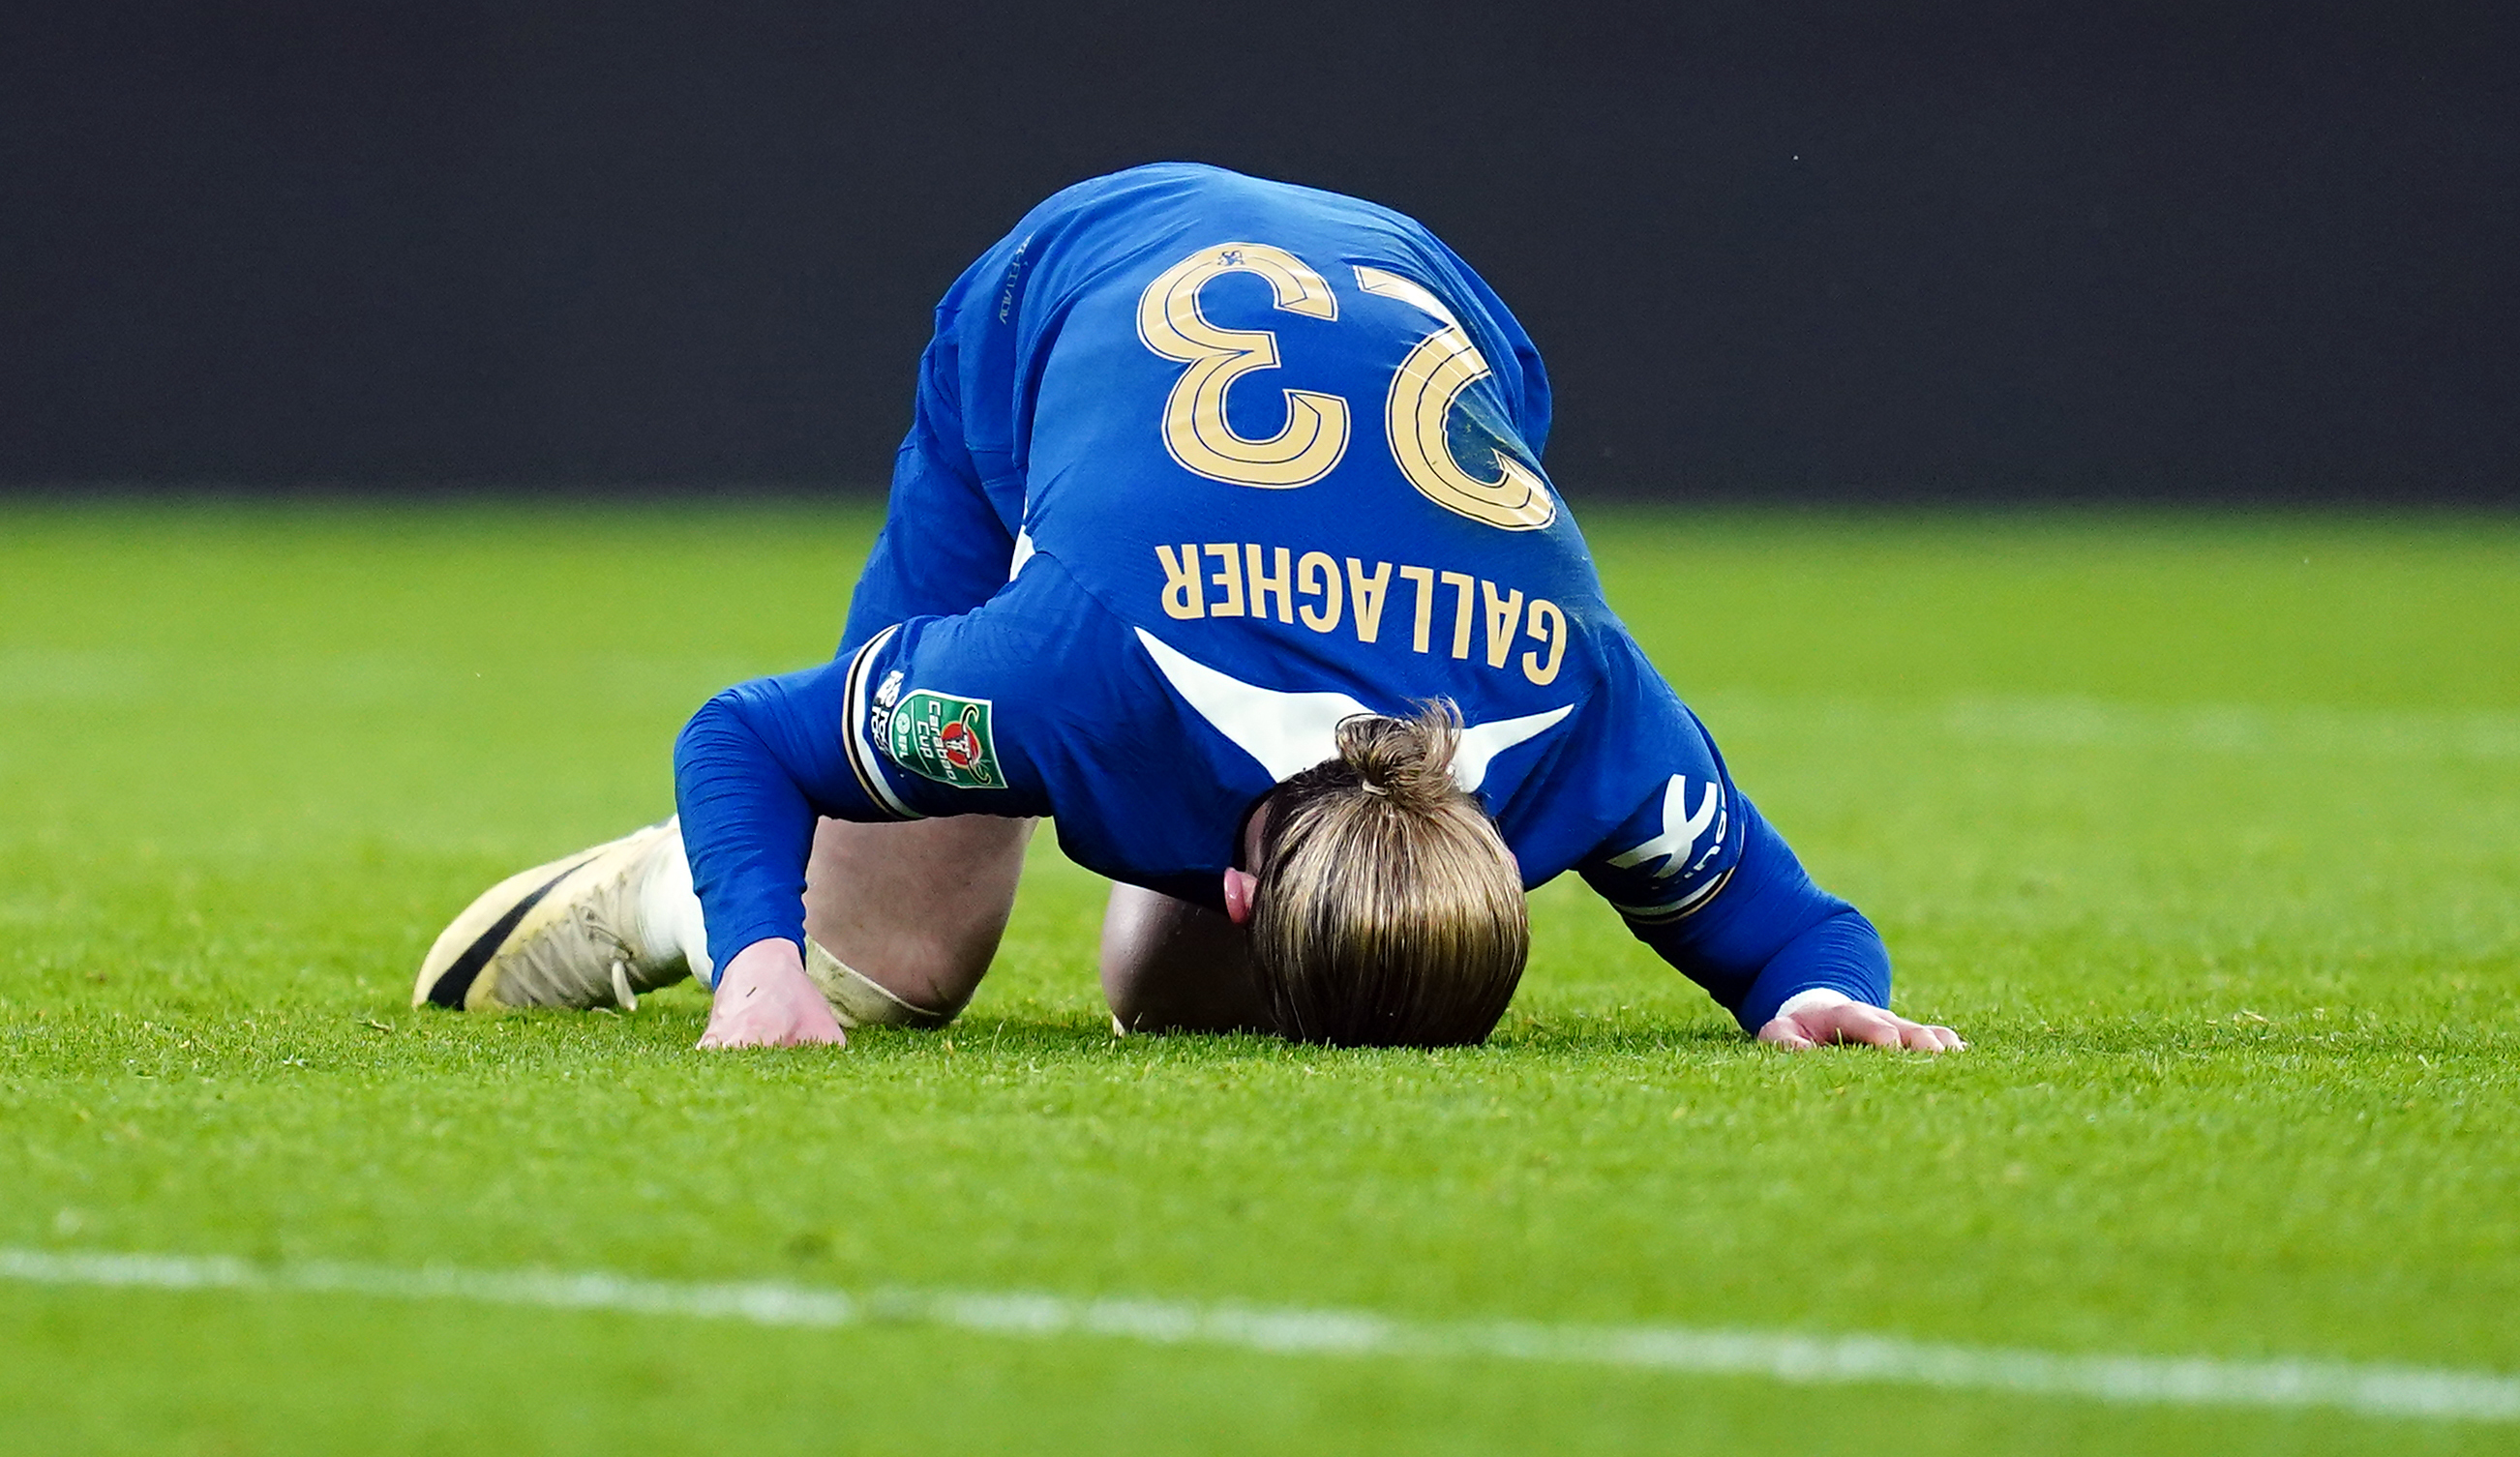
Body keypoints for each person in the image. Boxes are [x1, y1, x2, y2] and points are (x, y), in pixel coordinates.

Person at [411, 163, 1964, 1056]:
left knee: (1183, 1003)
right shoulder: (1074, 673)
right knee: (898, 964)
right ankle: (670, 893)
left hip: (1438, 300)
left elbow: (1800, 944)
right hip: (1066, 295)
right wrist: (758, 955)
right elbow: (747, 736)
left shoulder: (1591, 721)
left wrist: (1819, 997)